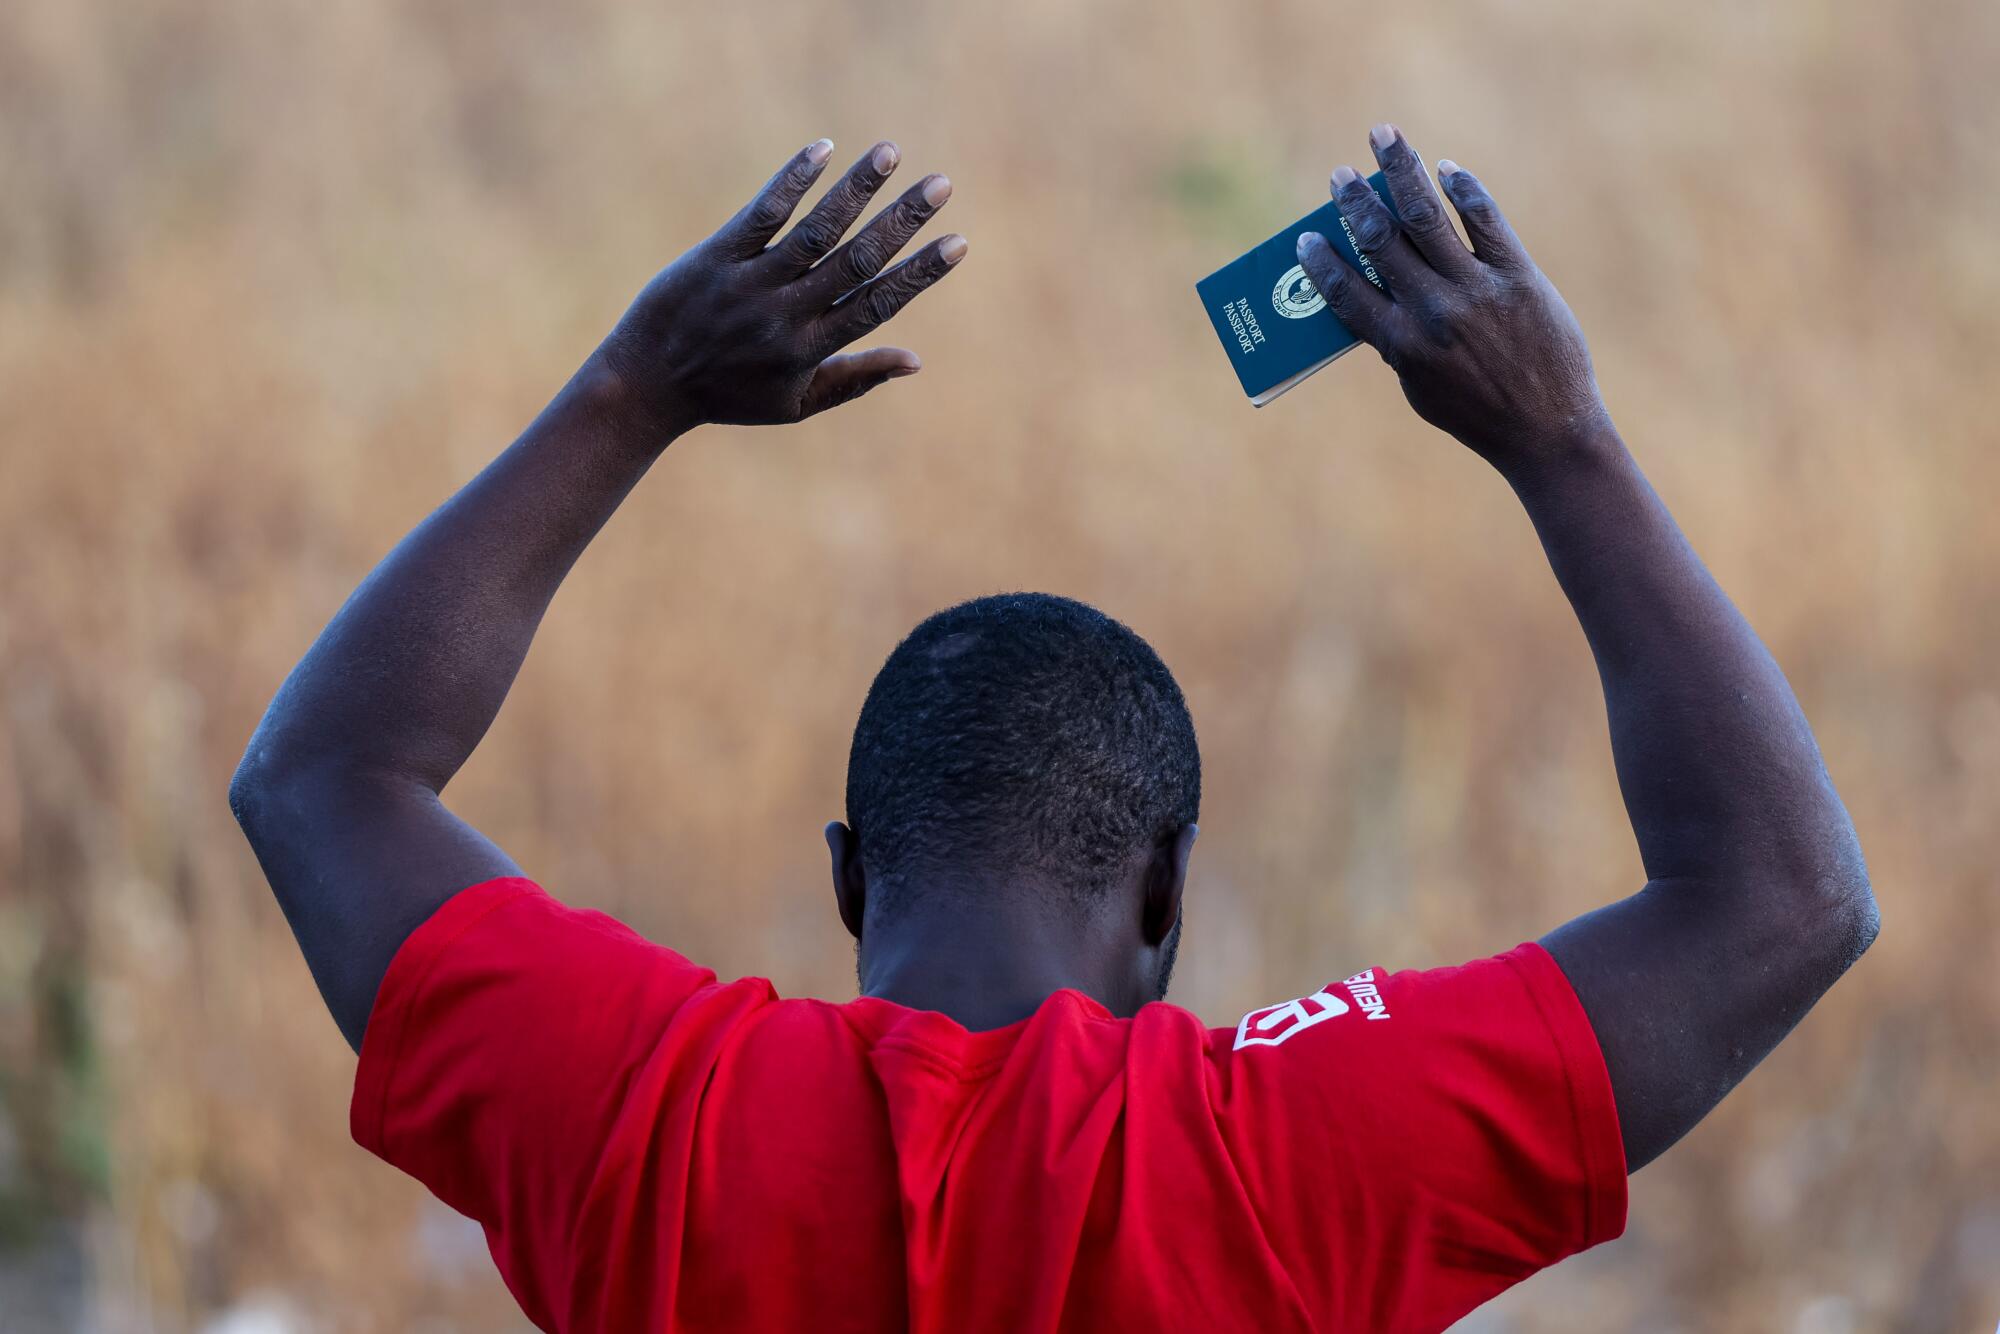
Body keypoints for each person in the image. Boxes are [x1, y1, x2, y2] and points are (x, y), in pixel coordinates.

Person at [229, 125, 1878, 1333]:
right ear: (1167, 898)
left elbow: (323, 778)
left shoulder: (651, 1116)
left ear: (852, 882)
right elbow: (1785, 899)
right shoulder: (1278, 1156)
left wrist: (630, 391)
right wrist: (1563, 441)